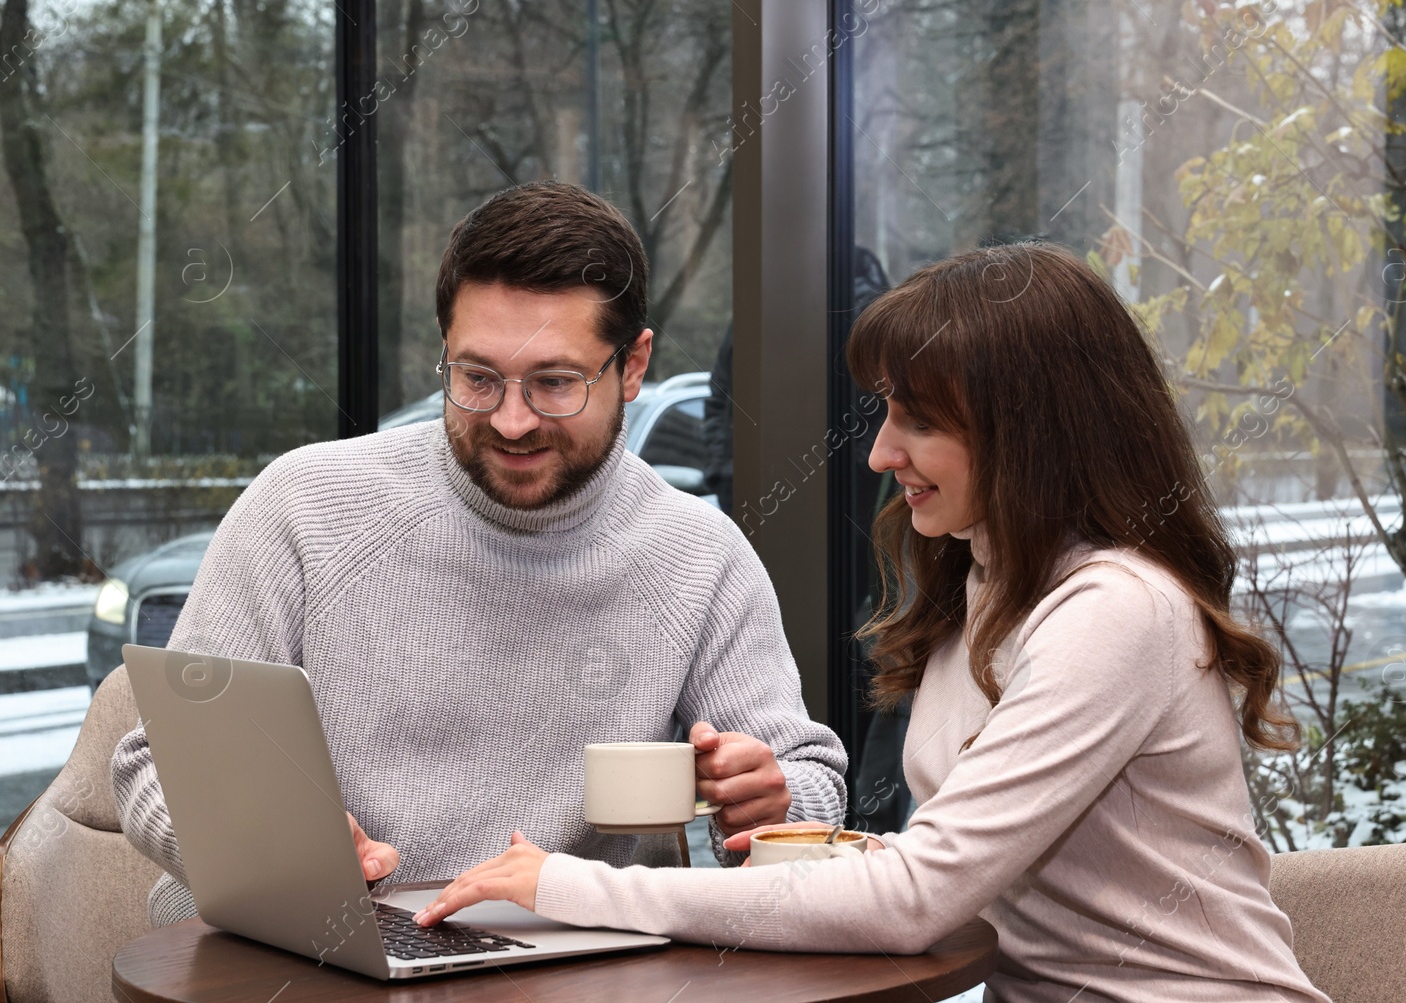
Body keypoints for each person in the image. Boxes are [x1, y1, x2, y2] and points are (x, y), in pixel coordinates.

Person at [413, 241, 1332, 1003]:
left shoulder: (1117, 613)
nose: (884, 450)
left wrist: (566, 885)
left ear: (1031, 433)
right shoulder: (984, 582)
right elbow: (941, 857)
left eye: (916, 421)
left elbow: (918, 894)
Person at [110, 181, 848, 927]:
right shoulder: (304, 506)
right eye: (478, 377)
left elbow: (810, 780)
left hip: (571, 964)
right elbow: (155, 765)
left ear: (632, 366)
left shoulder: (698, 555)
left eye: (555, 382)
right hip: (322, 951)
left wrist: (771, 800)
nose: (513, 419)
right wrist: (270, 845)